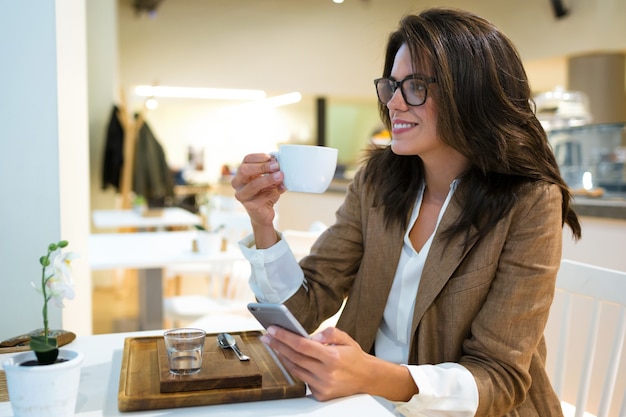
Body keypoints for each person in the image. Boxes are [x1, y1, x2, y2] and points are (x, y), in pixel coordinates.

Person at [231, 7, 581, 416]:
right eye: (391, 85)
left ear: (470, 92)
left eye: (415, 86)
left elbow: (498, 378)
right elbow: (305, 308)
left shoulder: (530, 201)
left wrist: (371, 375)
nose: (394, 103)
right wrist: (263, 221)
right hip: (367, 403)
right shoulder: (379, 181)